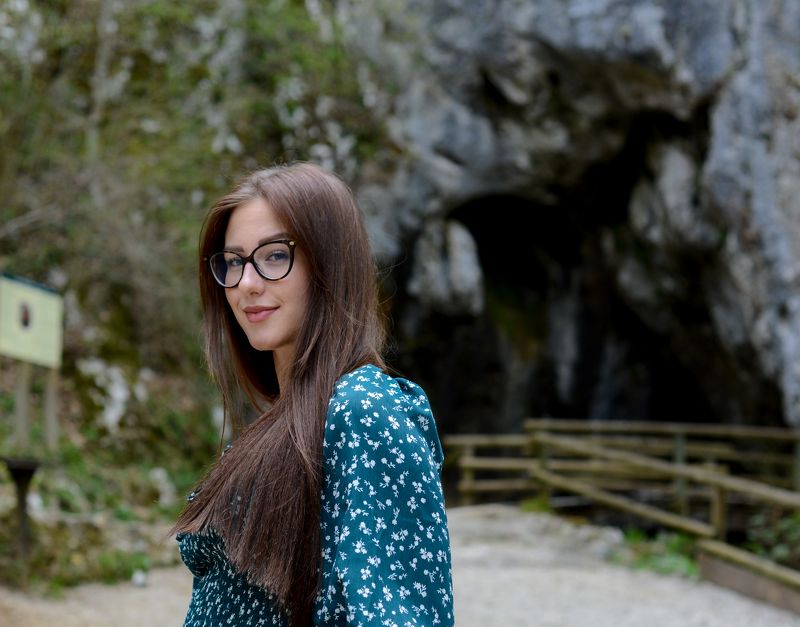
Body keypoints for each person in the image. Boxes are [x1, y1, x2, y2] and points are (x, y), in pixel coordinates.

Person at [171, 162, 455, 626]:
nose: (246, 284)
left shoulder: (362, 409)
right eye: (234, 261)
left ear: (329, 263)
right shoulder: (288, 419)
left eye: (275, 256)